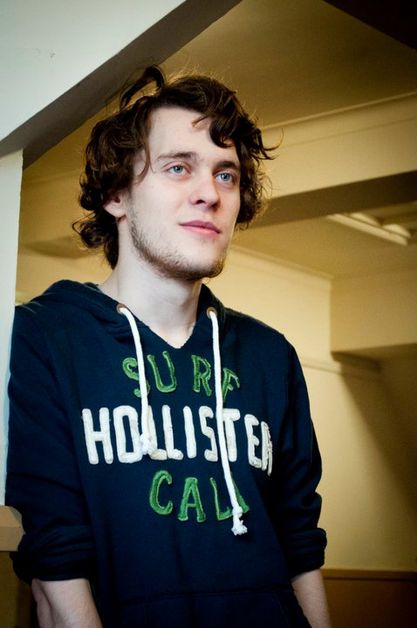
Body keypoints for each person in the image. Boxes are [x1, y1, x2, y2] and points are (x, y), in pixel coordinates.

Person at [6, 66, 330, 627]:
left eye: (226, 175)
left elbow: (301, 548)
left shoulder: (270, 356)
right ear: (117, 194)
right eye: (178, 167)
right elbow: (55, 568)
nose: (210, 193)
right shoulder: (43, 337)